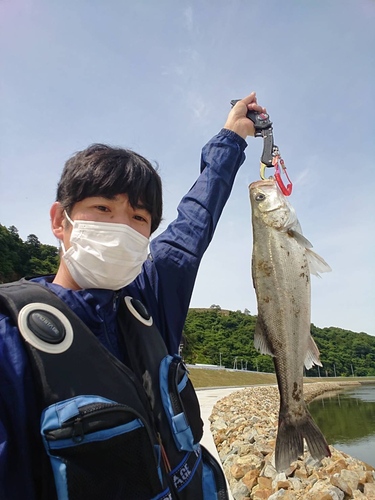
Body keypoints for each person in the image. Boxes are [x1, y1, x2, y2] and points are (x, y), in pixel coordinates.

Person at [0, 93, 266, 500]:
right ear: (60, 220)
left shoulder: (149, 300)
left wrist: (232, 137)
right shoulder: (10, 337)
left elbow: (196, 217)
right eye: (103, 208)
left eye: (139, 218)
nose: (122, 227)